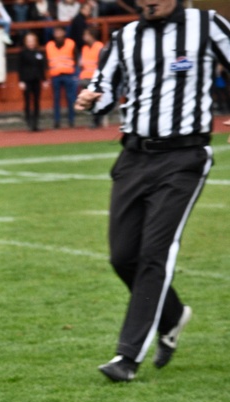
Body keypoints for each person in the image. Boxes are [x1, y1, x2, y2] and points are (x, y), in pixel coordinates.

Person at [76, 0, 230, 382]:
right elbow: (106, 86)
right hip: (133, 156)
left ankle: (127, 357)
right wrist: (92, 98)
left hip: (184, 156)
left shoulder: (206, 23)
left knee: (154, 255)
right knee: (123, 255)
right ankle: (174, 315)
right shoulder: (125, 36)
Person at [46, 25, 77, 128]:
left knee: (71, 98)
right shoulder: (49, 45)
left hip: (69, 74)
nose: (57, 34)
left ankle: (71, 121)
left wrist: (76, 74)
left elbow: (76, 58)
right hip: (55, 75)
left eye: (59, 31)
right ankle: (57, 121)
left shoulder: (71, 44)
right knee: (56, 99)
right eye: (56, 32)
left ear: (64, 33)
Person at [18, 31, 47, 131]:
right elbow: (20, 67)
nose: (30, 43)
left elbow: (42, 67)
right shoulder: (23, 53)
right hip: (26, 80)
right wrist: (21, 81)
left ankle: (36, 122)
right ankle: (28, 120)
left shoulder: (39, 53)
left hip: (36, 79)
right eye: (28, 41)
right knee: (27, 101)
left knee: (36, 101)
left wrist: (44, 80)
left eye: (32, 41)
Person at [78, 27, 103, 128]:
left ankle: (96, 120)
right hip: (85, 78)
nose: (84, 37)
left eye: (86, 35)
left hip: (95, 78)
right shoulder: (84, 48)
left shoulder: (99, 47)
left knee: (94, 99)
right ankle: (93, 118)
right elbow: (81, 63)